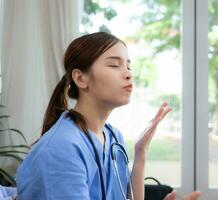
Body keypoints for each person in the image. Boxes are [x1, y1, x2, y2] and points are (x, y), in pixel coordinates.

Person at [16, 32, 201, 200]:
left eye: (129, 66)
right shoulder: (60, 150)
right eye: (114, 65)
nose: (128, 74)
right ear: (80, 78)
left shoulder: (114, 138)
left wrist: (140, 153)